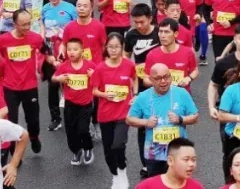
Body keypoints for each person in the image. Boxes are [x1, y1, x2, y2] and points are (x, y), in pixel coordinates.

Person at [0, 9, 53, 153]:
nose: (27, 27)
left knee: (33, 120)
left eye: (29, 24)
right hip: (9, 86)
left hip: (29, 85)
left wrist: (53, 61)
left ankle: (34, 137)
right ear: (14, 24)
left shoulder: (35, 38)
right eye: (23, 25)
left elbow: (46, 52)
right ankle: (14, 152)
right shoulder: (2, 40)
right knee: (11, 121)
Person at [126, 63, 200, 178]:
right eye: (158, 78)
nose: (163, 81)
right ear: (150, 80)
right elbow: (129, 119)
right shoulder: (143, 97)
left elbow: (195, 116)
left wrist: (180, 119)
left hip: (178, 150)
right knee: (157, 183)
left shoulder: (182, 93)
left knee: (179, 182)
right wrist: (146, 122)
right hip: (154, 151)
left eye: (166, 76)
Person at [92, 32, 138, 188]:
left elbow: (135, 78)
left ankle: (122, 171)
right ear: (106, 48)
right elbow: (94, 91)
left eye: (117, 47)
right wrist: (105, 94)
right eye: (110, 47)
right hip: (105, 114)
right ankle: (115, 174)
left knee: (118, 144)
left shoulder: (128, 65)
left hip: (123, 113)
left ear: (122, 47)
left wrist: (135, 94)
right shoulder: (100, 68)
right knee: (108, 151)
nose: (113, 50)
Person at [51, 37, 96, 166]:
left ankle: (88, 148)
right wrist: (59, 78)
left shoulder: (90, 65)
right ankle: (76, 151)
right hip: (70, 104)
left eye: (75, 49)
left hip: (85, 104)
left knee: (83, 129)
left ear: (82, 50)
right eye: (69, 49)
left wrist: (94, 75)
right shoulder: (64, 66)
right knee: (70, 131)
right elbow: (53, 78)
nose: (71, 52)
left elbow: (100, 80)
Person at [133, 137, 203, 189]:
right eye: (186, 159)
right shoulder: (147, 186)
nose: (191, 164)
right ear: (170, 161)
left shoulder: (196, 187)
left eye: (193, 160)